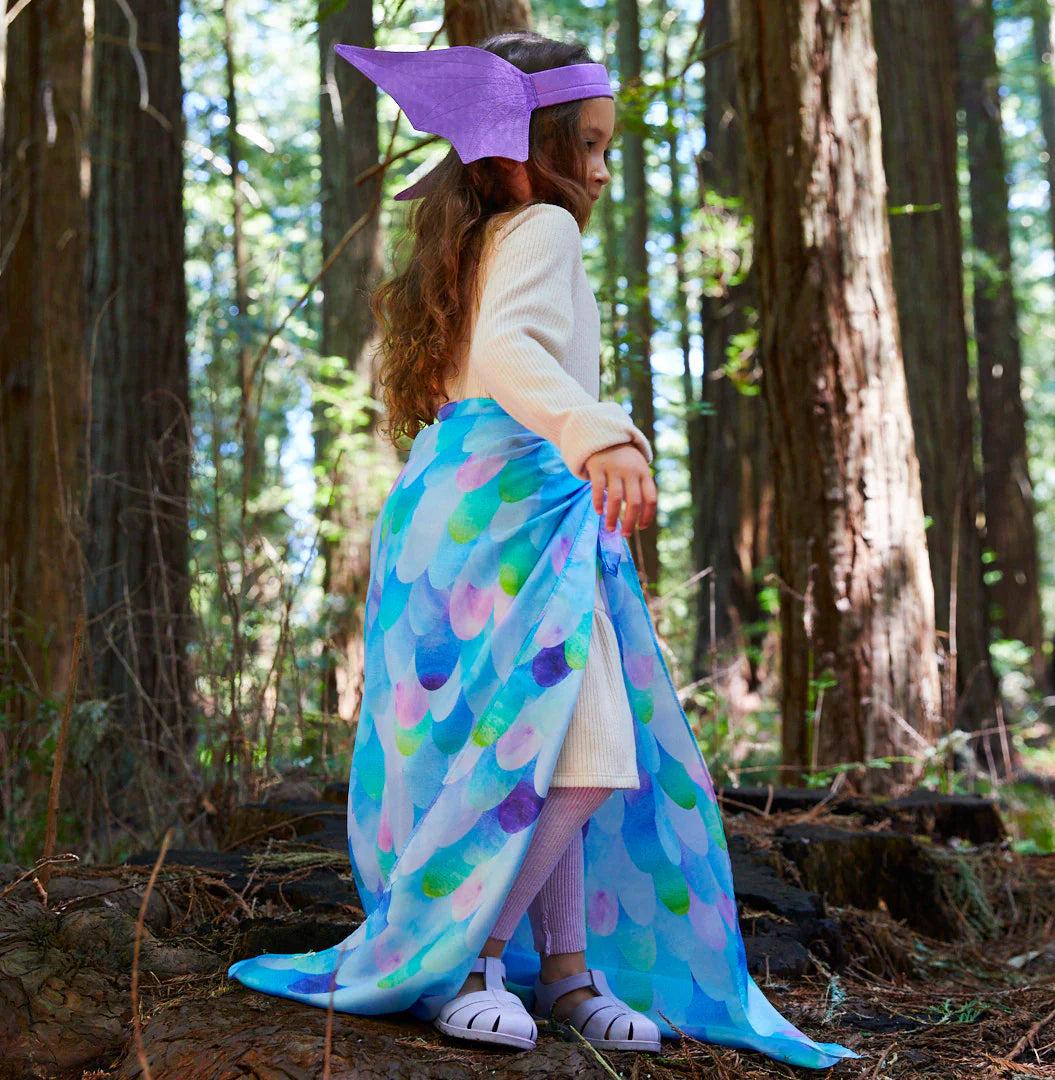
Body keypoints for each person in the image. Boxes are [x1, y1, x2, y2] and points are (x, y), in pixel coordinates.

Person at [229, 32, 857, 1070]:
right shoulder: (543, 228)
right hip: (511, 516)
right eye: (592, 145)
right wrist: (596, 430)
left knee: (552, 736)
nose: (605, 170)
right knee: (584, 748)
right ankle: (467, 959)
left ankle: (563, 972)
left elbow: (475, 373)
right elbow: (508, 355)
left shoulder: (475, 243)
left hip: (468, 514)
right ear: (523, 150)